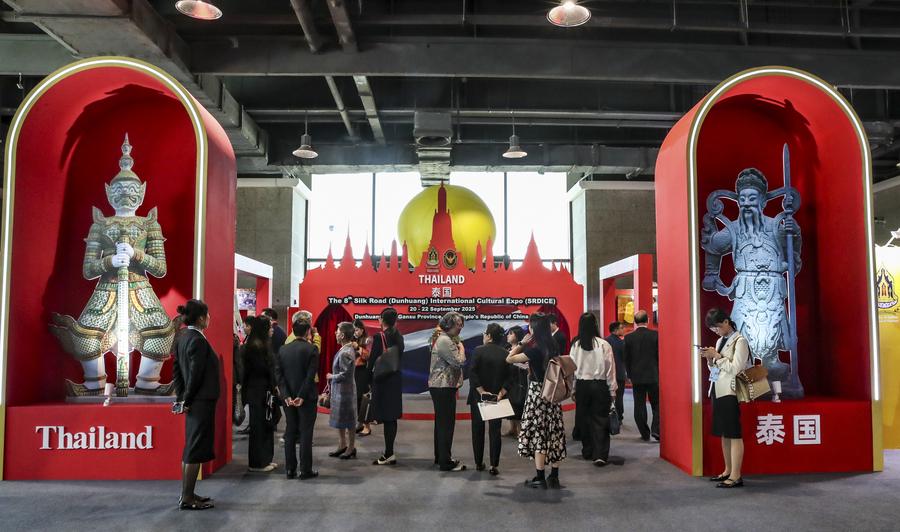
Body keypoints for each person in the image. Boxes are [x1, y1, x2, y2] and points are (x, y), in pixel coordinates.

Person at [507, 312, 566, 489]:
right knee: (554, 432)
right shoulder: (554, 346)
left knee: (539, 433)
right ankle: (554, 476)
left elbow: (509, 358)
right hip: (552, 393)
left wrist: (522, 344)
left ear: (534, 329)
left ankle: (540, 477)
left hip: (537, 394)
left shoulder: (533, 350)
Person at [172, 299, 220, 510]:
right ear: (201, 318)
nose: (209, 318)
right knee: (195, 448)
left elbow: (177, 371)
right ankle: (187, 498)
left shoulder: (183, 337)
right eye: (207, 314)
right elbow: (195, 374)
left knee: (192, 446)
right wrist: (188, 400)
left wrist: (181, 398)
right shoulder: (198, 340)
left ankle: (188, 494)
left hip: (194, 400)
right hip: (200, 401)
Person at [701, 308, 750, 488]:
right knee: (724, 433)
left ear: (726, 322)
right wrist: (709, 360)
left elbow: (736, 368)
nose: (716, 331)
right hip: (717, 390)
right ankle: (728, 470)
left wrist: (717, 356)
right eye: (713, 329)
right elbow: (717, 369)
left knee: (733, 434)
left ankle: (736, 475)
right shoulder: (720, 340)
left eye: (717, 327)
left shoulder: (740, 341)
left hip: (730, 392)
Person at [570, 313, 617, 466]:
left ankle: (588, 450)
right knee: (600, 419)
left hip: (582, 386)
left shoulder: (576, 345)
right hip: (599, 386)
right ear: (595, 325)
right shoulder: (603, 344)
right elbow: (610, 369)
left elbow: (572, 369)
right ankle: (600, 454)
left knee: (584, 419)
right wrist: (612, 390)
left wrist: (573, 388)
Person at [277, 319, 319, 480]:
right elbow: (310, 376)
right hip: (306, 398)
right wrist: (301, 396)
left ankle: (290, 469)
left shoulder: (283, 349)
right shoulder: (312, 349)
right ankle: (305, 470)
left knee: (290, 431)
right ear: (308, 331)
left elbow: (279, 376)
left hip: (288, 399)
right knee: (306, 433)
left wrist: (287, 395)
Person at [468, 323, 512, 475]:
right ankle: (494, 465)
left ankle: (478, 462)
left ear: (489, 336)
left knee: (477, 430)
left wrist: (481, 391)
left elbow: (472, 373)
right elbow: (510, 377)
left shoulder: (478, 351)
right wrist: (501, 393)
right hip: (497, 398)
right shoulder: (505, 353)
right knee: (495, 431)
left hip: (478, 397)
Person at [429, 312, 467, 472]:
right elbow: (458, 362)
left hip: (441, 386)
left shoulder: (444, 339)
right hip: (443, 387)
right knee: (446, 425)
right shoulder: (445, 340)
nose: (461, 327)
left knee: (441, 424)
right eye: (458, 324)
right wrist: (462, 349)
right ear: (449, 324)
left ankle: (441, 456)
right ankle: (445, 461)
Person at [242, 315, 277, 472]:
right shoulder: (255, 347)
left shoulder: (260, 344)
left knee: (265, 424)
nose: (272, 330)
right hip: (258, 391)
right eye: (269, 327)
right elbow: (260, 370)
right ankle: (257, 463)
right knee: (259, 426)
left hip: (263, 391)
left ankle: (265, 459)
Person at [369, 307, 404, 465]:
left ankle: (389, 453)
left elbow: (372, 361)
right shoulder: (399, 336)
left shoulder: (379, 337)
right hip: (395, 380)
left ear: (382, 320)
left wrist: (367, 380)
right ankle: (389, 451)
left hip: (382, 381)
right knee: (392, 417)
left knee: (385, 416)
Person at [624, 309, 660, 442]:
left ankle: (644, 433)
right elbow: (659, 356)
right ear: (648, 320)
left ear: (635, 322)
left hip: (636, 377)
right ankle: (656, 429)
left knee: (639, 405)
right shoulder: (655, 335)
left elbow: (626, 359)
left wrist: (629, 374)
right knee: (657, 404)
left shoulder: (628, 338)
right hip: (653, 375)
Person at [327, 322, 358, 460]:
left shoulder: (346, 352)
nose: (335, 333)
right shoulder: (346, 349)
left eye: (337, 331)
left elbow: (345, 374)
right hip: (341, 391)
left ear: (343, 335)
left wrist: (331, 376)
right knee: (341, 419)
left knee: (349, 421)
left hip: (345, 393)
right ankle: (342, 445)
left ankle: (350, 447)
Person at [504, 325, 528, 437]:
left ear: (517, 335)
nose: (508, 336)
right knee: (510, 405)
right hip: (508, 381)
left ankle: (520, 430)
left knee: (518, 404)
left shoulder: (524, 349)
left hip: (520, 381)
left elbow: (526, 366)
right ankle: (512, 428)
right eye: (508, 333)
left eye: (511, 333)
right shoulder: (506, 348)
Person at [352, 319, 373, 436]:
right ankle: (359, 424)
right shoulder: (352, 340)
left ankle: (367, 426)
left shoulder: (367, 340)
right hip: (353, 371)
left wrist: (358, 348)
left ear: (362, 330)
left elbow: (368, 356)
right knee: (356, 399)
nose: (355, 332)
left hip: (363, 371)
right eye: (354, 330)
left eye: (357, 330)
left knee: (363, 399)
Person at [605, 321, 627, 422]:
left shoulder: (605, 341)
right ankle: (619, 417)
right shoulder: (622, 343)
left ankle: (609, 415)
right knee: (619, 397)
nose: (623, 330)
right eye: (621, 328)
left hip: (608, 373)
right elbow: (625, 358)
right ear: (615, 330)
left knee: (608, 396)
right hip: (620, 373)